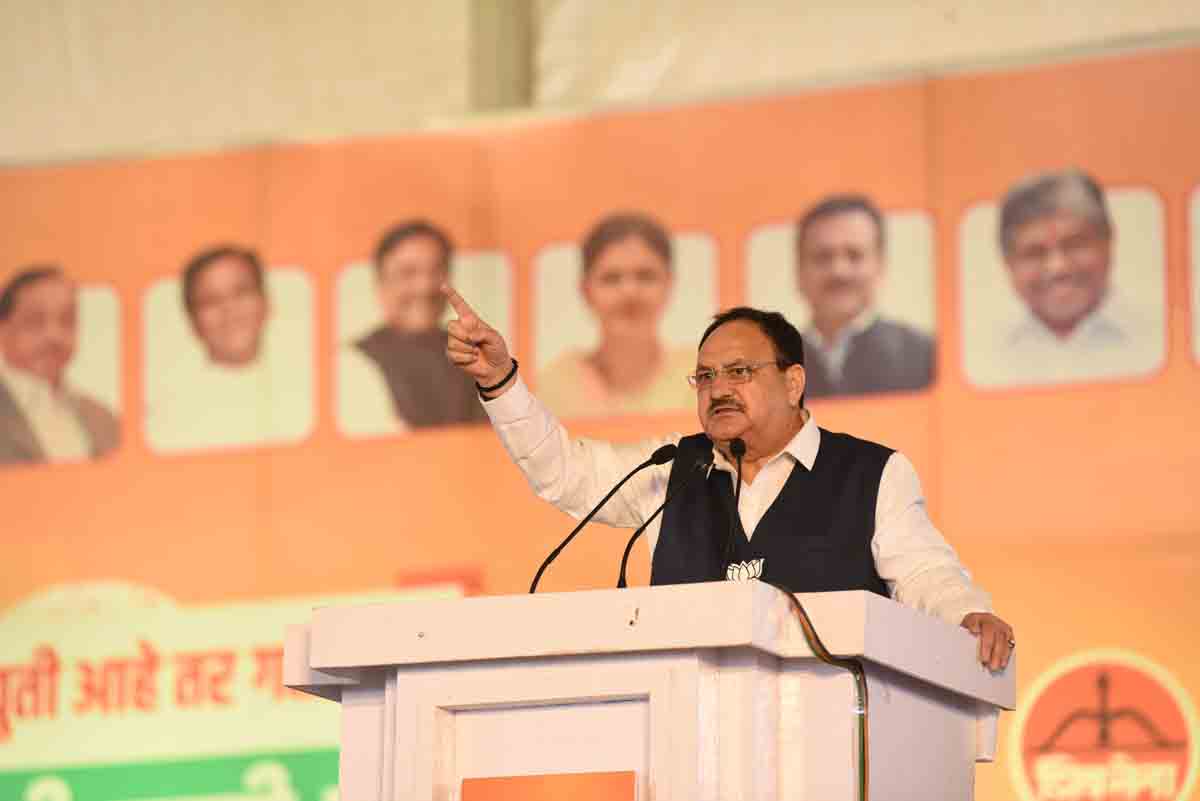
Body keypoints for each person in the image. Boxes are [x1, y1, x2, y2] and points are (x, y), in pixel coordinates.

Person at [444, 287, 1014, 670]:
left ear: (793, 383)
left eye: (740, 372)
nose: (718, 389)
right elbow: (563, 472)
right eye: (705, 376)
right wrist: (501, 382)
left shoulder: (871, 474)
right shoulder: (671, 470)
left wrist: (966, 614)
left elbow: (924, 572)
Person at [969, 169, 1160, 387]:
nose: (1058, 268)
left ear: (1108, 241)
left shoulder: (1157, 336)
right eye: (1035, 252)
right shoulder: (981, 358)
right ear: (1008, 262)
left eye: (1075, 244)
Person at [145, 245, 311, 451]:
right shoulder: (172, 417)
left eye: (241, 292)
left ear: (265, 303)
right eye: (211, 301)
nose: (229, 310)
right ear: (193, 321)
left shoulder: (305, 388)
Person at [537, 212, 696, 417]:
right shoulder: (556, 387)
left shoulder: (700, 380)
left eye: (645, 276)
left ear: (669, 284)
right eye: (611, 278)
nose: (629, 292)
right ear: (585, 290)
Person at [339, 220, 487, 434]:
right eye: (408, 273)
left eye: (437, 271)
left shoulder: (475, 357)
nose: (425, 286)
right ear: (380, 283)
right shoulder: (355, 363)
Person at [794, 194, 934, 398]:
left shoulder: (925, 357)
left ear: (880, 265)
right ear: (799, 270)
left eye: (854, 255)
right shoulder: (772, 371)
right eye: (822, 257)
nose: (838, 271)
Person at [0, 266, 119, 465]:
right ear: (3, 330)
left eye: (66, 320)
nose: (54, 336)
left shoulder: (103, 418)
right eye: (35, 321)